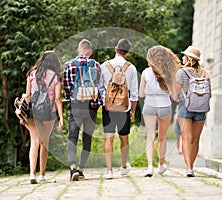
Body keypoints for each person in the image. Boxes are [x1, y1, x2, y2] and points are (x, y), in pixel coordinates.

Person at [98, 39, 138, 179]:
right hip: (124, 108)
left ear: (116, 49)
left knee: (108, 138)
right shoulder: (131, 68)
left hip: (108, 107)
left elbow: (100, 88)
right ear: (127, 53)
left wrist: (105, 102)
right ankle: (123, 166)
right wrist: (132, 110)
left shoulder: (104, 66)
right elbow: (134, 94)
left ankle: (109, 171)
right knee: (124, 138)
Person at [63, 39, 102, 181]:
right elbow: (99, 85)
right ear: (89, 52)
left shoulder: (69, 65)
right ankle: (81, 169)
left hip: (76, 106)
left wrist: (71, 97)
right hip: (91, 106)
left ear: (78, 50)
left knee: (72, 137)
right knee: (87, 139)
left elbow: (66, 87)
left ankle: (72, 168)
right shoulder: (96, 65)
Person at [139, 45, 180, 177]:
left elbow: (141, 94)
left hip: (149, 105)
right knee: (162, 138)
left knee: (150, 136)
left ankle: (150, 167)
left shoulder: (145, 72)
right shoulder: (170, 73)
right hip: (165, 106)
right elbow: (174, 96)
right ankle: (161, 165)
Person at [24, 50, 64, 184]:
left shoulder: (31, 74)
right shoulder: (56, 77)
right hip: (48, 113)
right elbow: (58, 98)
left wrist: (25, 115)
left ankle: (32, 174)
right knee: (44, 143)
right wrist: (61, 118)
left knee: (34, 142)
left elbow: (28, 96)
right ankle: (42, 175)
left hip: (33, 113)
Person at [175, 46, 211, 177]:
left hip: (185, 106)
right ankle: (192, 166)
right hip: (201, 108)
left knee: (186, 138)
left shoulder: (181, 73)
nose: (182, 57)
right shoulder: (205, 74)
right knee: (195, 140)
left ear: (189, 59)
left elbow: (177, 93)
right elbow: (210, 94)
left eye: (184, 56)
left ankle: (188, 168)